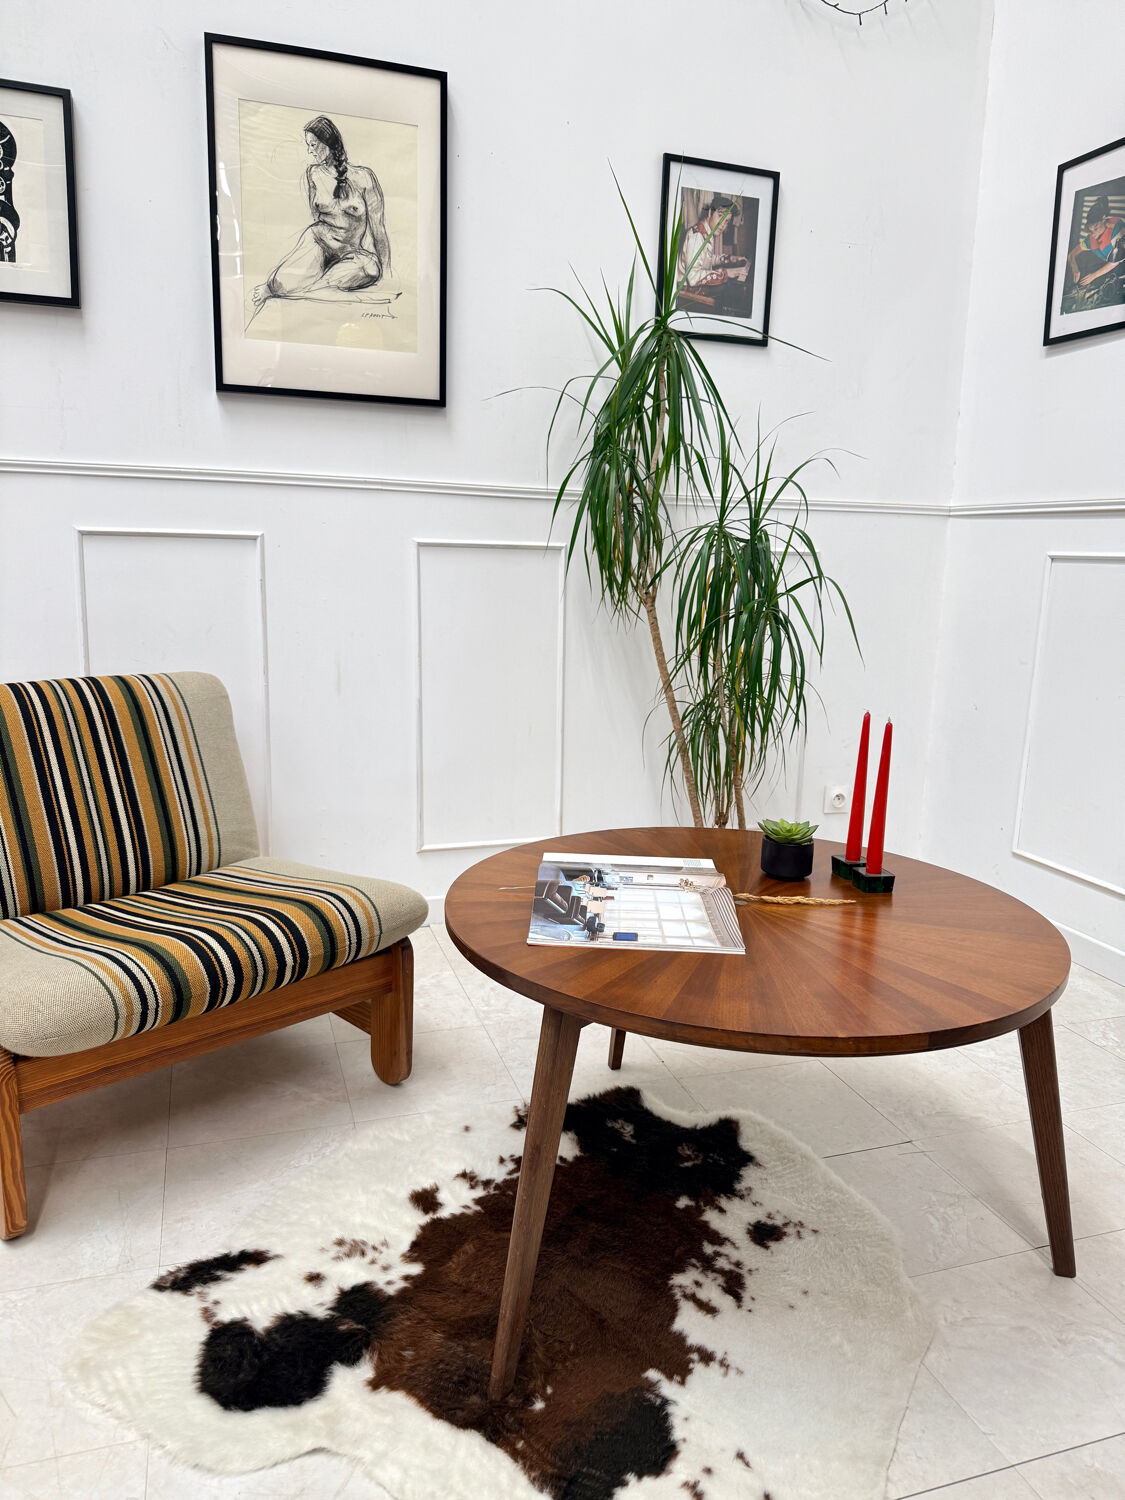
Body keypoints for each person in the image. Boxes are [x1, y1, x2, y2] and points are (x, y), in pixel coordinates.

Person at [251, 116, 392, 315]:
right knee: (282, 284)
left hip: (352, 252)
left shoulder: (364, 177)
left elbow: (379, 229)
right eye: (308, 145)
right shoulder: (313, 174)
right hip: (319, 241)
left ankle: (311, 286)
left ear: (329, 143)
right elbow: (317, 216)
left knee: (370, 270)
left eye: (314, 145)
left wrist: (387, 272)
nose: (310, 151)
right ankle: (277, 288)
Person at [676, 196, 746, 292]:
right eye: (720, 216)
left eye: (726, 221)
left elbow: (706, 259)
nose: (722, 225)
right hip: (685, 292)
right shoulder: (697, 236)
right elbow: (693, 278)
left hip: (694, 288)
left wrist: (728, 259)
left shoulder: (707, 231)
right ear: (710, 213)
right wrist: (726, 273)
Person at [1067, 194, 1125, 295]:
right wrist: (1074, 267)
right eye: (1090, 230)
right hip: (1111, 272)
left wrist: (1093, 276)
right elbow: (1071, 255)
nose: (1093, 234)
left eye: (1096, 228)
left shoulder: (1117, 227)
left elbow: (1115, 261)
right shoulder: (1091, 238)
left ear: (1103, 218)